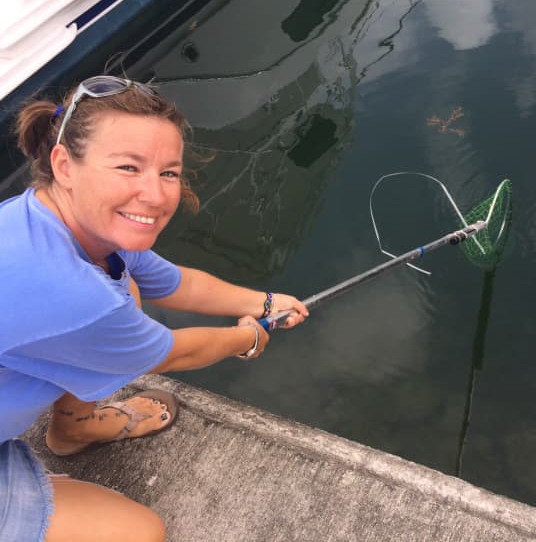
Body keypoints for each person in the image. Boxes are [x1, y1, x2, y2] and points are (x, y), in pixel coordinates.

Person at [0, 75, 309, 542]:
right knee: (141, 533)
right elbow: (171, 353)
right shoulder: (73, 292)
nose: (156, 194)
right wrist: (249, 336)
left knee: (128, 289)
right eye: (128, 167)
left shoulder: (58, 218)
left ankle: (72, 428)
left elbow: (175, 282)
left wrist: (263, 301)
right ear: (64, 164)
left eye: (168, 172)